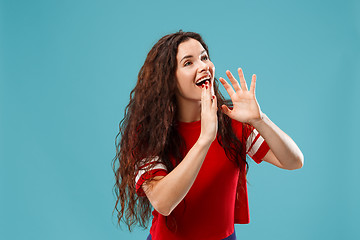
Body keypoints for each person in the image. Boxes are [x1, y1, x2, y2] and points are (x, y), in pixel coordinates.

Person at [112, 30, 304, 240]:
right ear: (168, 80)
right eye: (188, 63)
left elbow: (294, 161)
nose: (204, 66)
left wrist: (260, 120)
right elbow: (162, 203)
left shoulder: (233, 122)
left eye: (204, 57)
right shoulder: (149, 134)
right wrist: (205, 139)